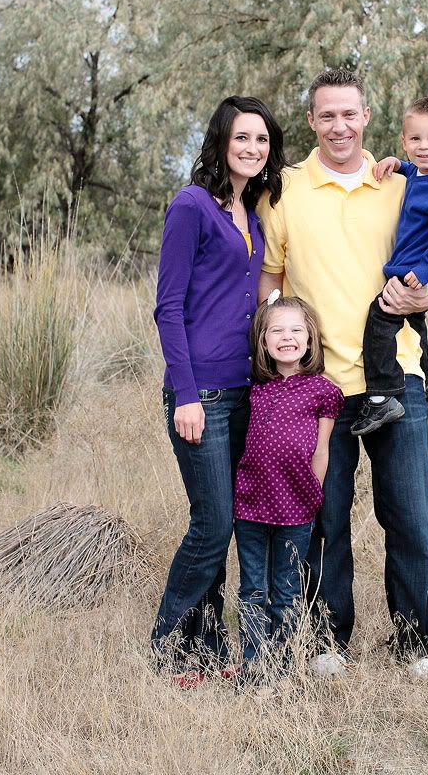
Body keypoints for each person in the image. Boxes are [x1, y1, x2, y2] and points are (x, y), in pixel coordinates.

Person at [257, 68, 428, 680]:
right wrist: (275, 354)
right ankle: (327, 641)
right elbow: (270, 279)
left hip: (396, 377)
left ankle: (415, 641)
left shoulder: (400, 184)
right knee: (324, 518)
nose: (338, 126)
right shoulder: (283, 192)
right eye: (327, 115)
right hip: (318, 387)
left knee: (410, 516)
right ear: (311, 121)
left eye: (349, 114)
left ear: (366, 117)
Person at [151, 95, 288, 683]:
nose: (253, 148)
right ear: (221, 142)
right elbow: (168, 307)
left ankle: (205, 649)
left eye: (262, 140)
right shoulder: (192, 207)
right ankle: (166, 646)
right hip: (201, 393)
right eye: (242, 138)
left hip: (243, 391)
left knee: (226, 521)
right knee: (213, 526)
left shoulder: (252, 213)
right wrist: (185, 394)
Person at [233, 293, 344, 678]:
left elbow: (322, 450)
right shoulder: (255, 388)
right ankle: (254, 669)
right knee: (253, 590)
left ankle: (282, 668)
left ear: (310, 339)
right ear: (263, 342)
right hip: (250, 504)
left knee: (286, 591)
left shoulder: (323, 391)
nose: (287, 337)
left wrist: (314, 494)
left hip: (296, 507)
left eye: (296, 330)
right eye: (276, 331)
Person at [351, 94, 428, 436]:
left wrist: (424, 272)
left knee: (381, 317)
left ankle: (381, 396)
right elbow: (417, 175)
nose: (424, 146)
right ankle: (426, 381)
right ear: (404, 141)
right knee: (414, 322)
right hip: (415, 266)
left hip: (424, 267)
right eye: (415, 139)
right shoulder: (420, 172)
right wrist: (398, 164)